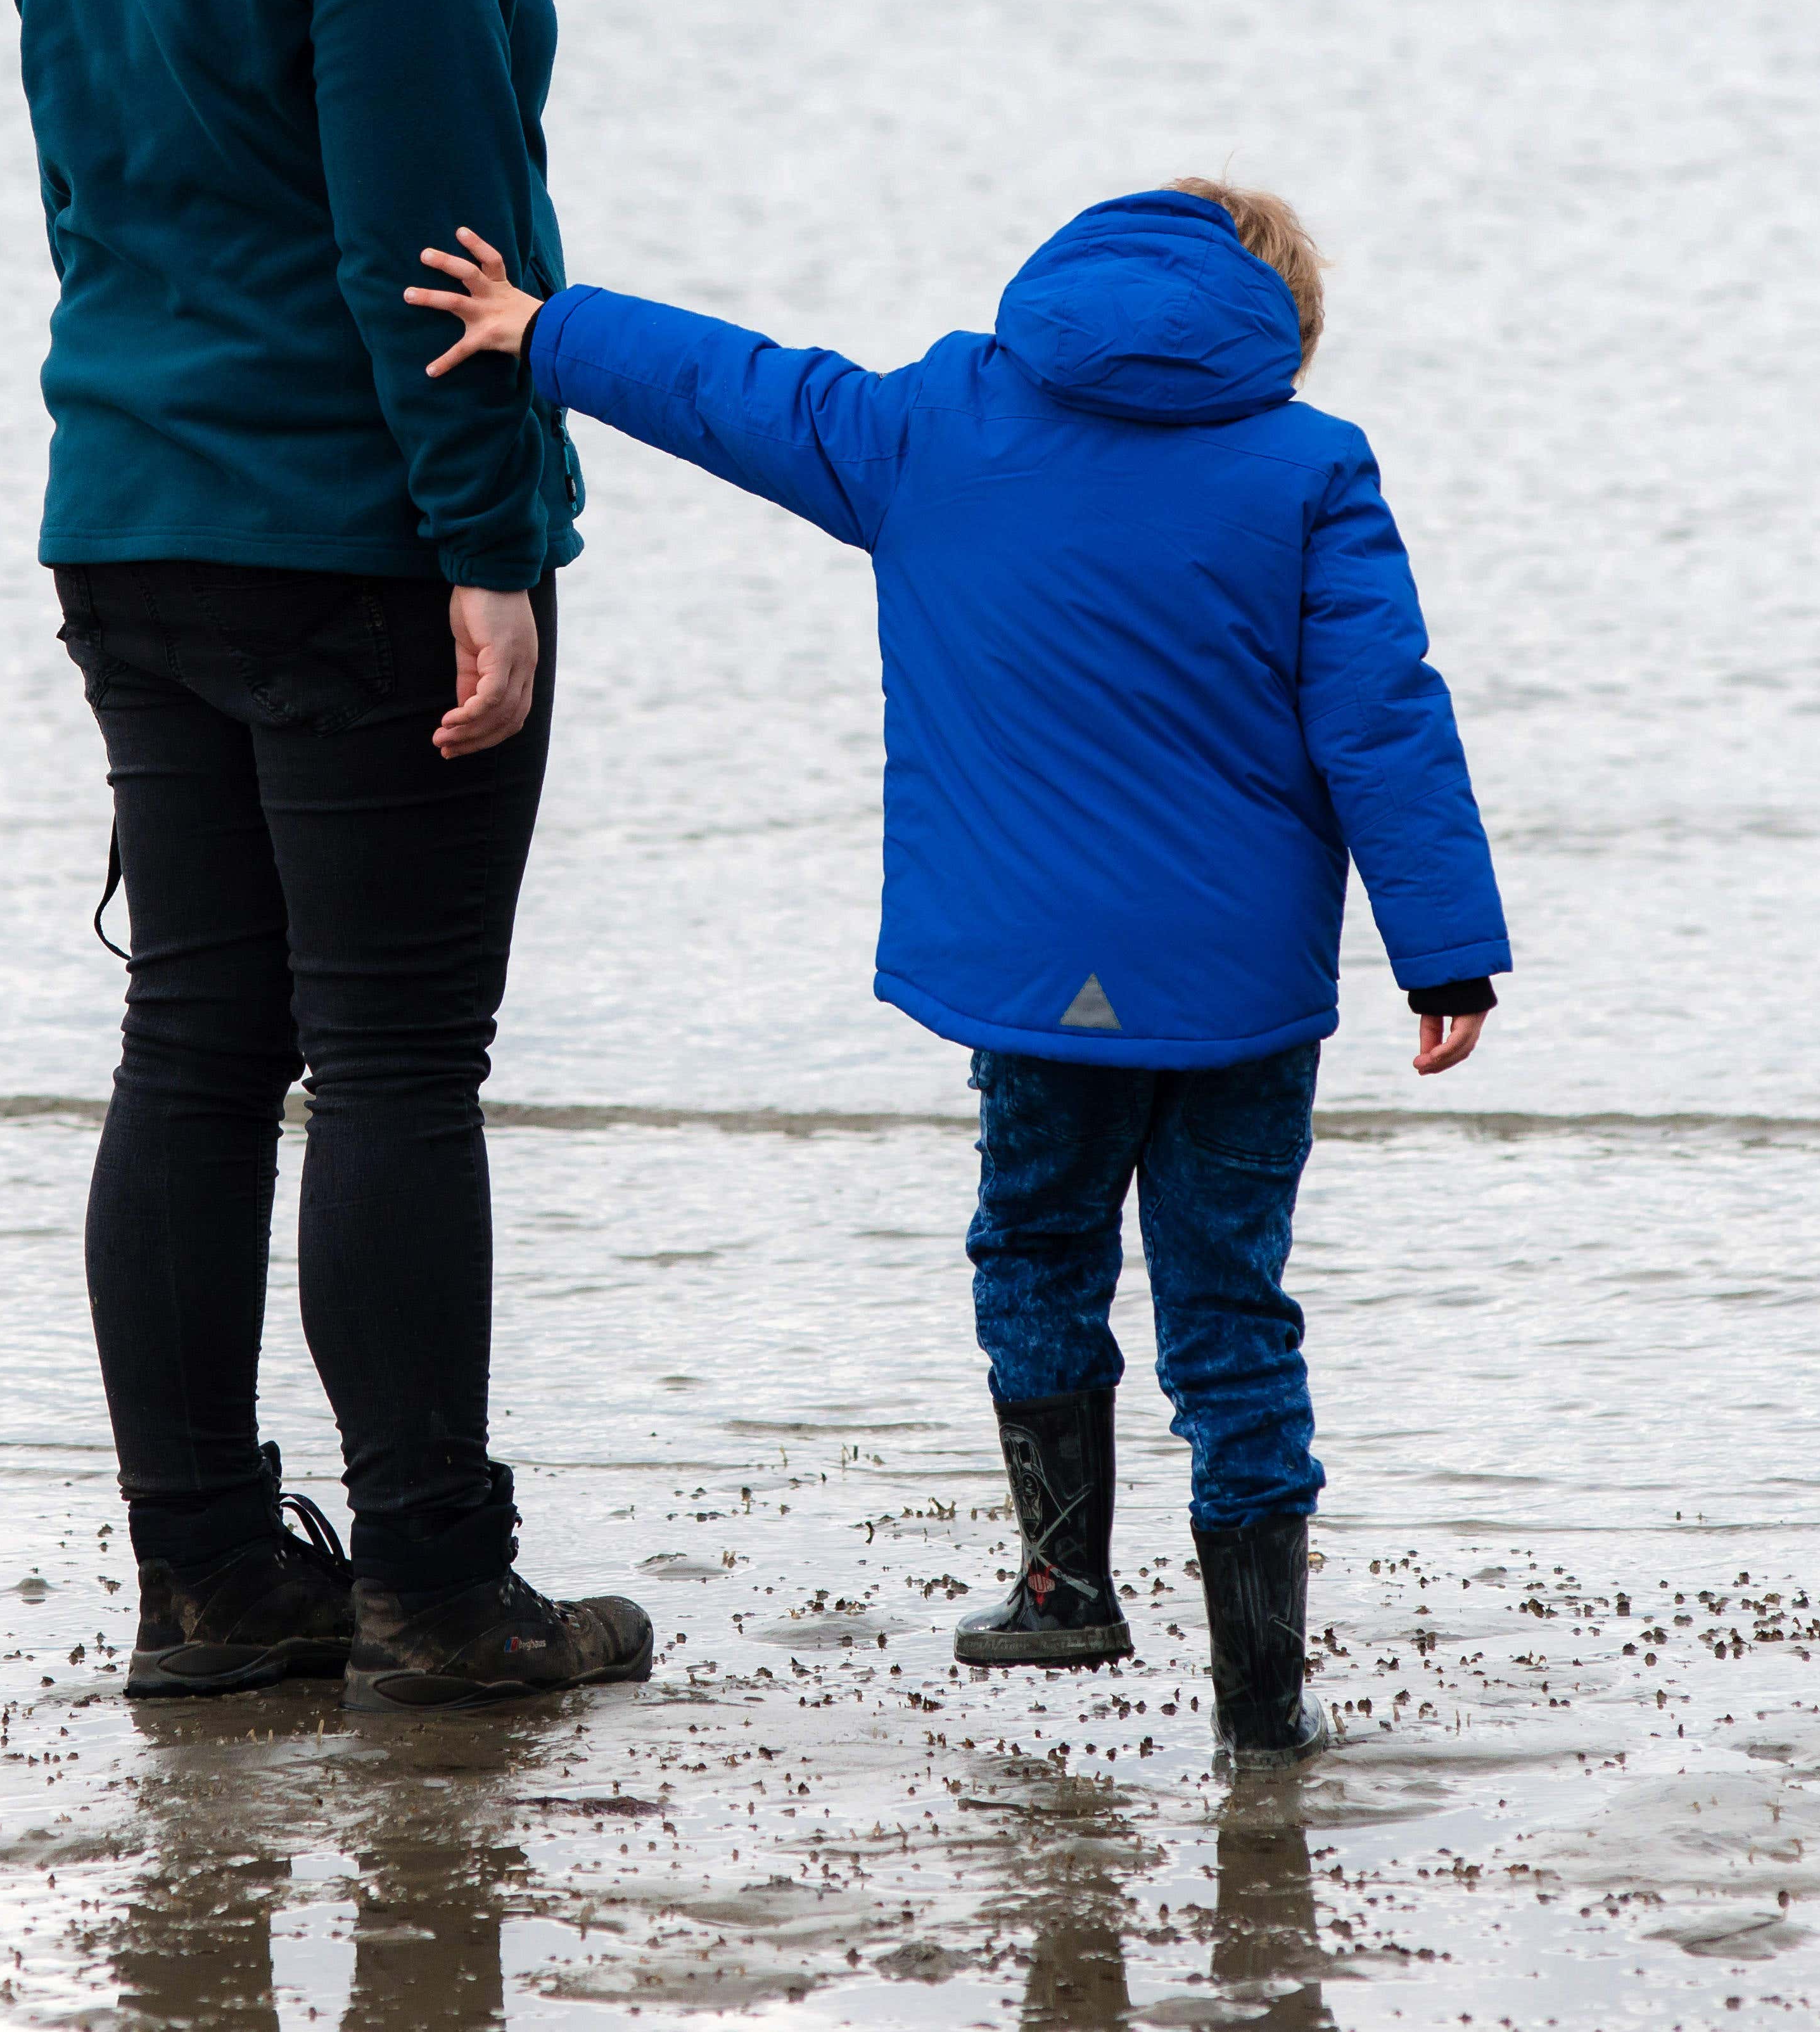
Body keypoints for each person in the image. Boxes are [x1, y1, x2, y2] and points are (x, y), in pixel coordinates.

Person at [405, 181, 1508, 1763]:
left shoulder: (932, 423)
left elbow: (736, 389)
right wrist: (1445, 950)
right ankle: (1262, 1705)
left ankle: (1063, 1583)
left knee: (1037, 1245)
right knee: (1231, 1318)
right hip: (1235, 995)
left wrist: (547, 331)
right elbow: (1381, 719)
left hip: (1034, 980)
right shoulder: (1307, 468)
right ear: (1275, 323)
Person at [8, 0, 649, 1711]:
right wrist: (490, 541)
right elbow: (434, 236)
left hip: (134, 513)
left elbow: (97, 201)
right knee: (394, 1058)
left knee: (196, 1042)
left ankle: (205, 1579)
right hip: (356, 529)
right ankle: (437, 1588)